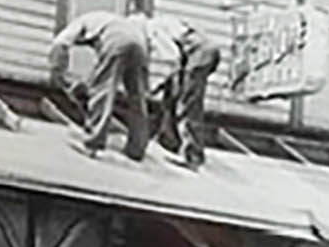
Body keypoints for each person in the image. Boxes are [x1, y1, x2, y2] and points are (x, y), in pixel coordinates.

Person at [47, 9, 165, 160]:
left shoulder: (77, 24)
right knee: (137, 98)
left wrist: (59, 73)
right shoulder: (107, 20)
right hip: (139, 45)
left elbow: (60, 45)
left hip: (116, 41)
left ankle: (93, 144)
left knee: (102, 92)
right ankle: (137, 148)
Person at [148, 16, 221, 169]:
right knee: (174, 94)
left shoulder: (154, 30)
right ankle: (169, 140)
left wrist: (158, 84)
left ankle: (192, 155)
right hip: (207, 52)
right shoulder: (170, 23)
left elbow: (173, 57)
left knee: (187, 104)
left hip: (199, 54)